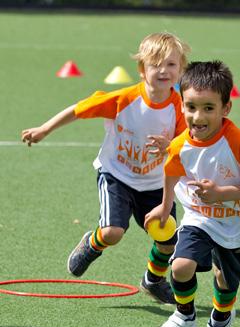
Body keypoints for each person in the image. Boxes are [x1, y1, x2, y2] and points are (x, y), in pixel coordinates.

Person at [20, 32, 191, 304]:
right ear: (141, 69)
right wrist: (44, 129)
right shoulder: (124, 99)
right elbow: (79, 109)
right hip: (117, 175)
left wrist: (170, 145)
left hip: (156, 183)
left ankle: (153, 280)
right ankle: (92, 244)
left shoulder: (182, 108)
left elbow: (188, 145)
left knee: (168, 240)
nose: (163, 70)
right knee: (113, 233)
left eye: (171, 65)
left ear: (181, 70)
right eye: (155, 64)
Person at [144, 60, 240, 327]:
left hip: (239, 223)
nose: (197, 116)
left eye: (208, 108)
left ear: (225, 108)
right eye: (190, 107)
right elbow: (172, 169)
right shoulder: (180, 144)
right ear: (181, 106)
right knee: (180, 266)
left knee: (224, 280)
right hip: (200, 217)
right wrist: (165, 207)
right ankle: (184, 315)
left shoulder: (239, 143)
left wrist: (222, 194)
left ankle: (220, 320)